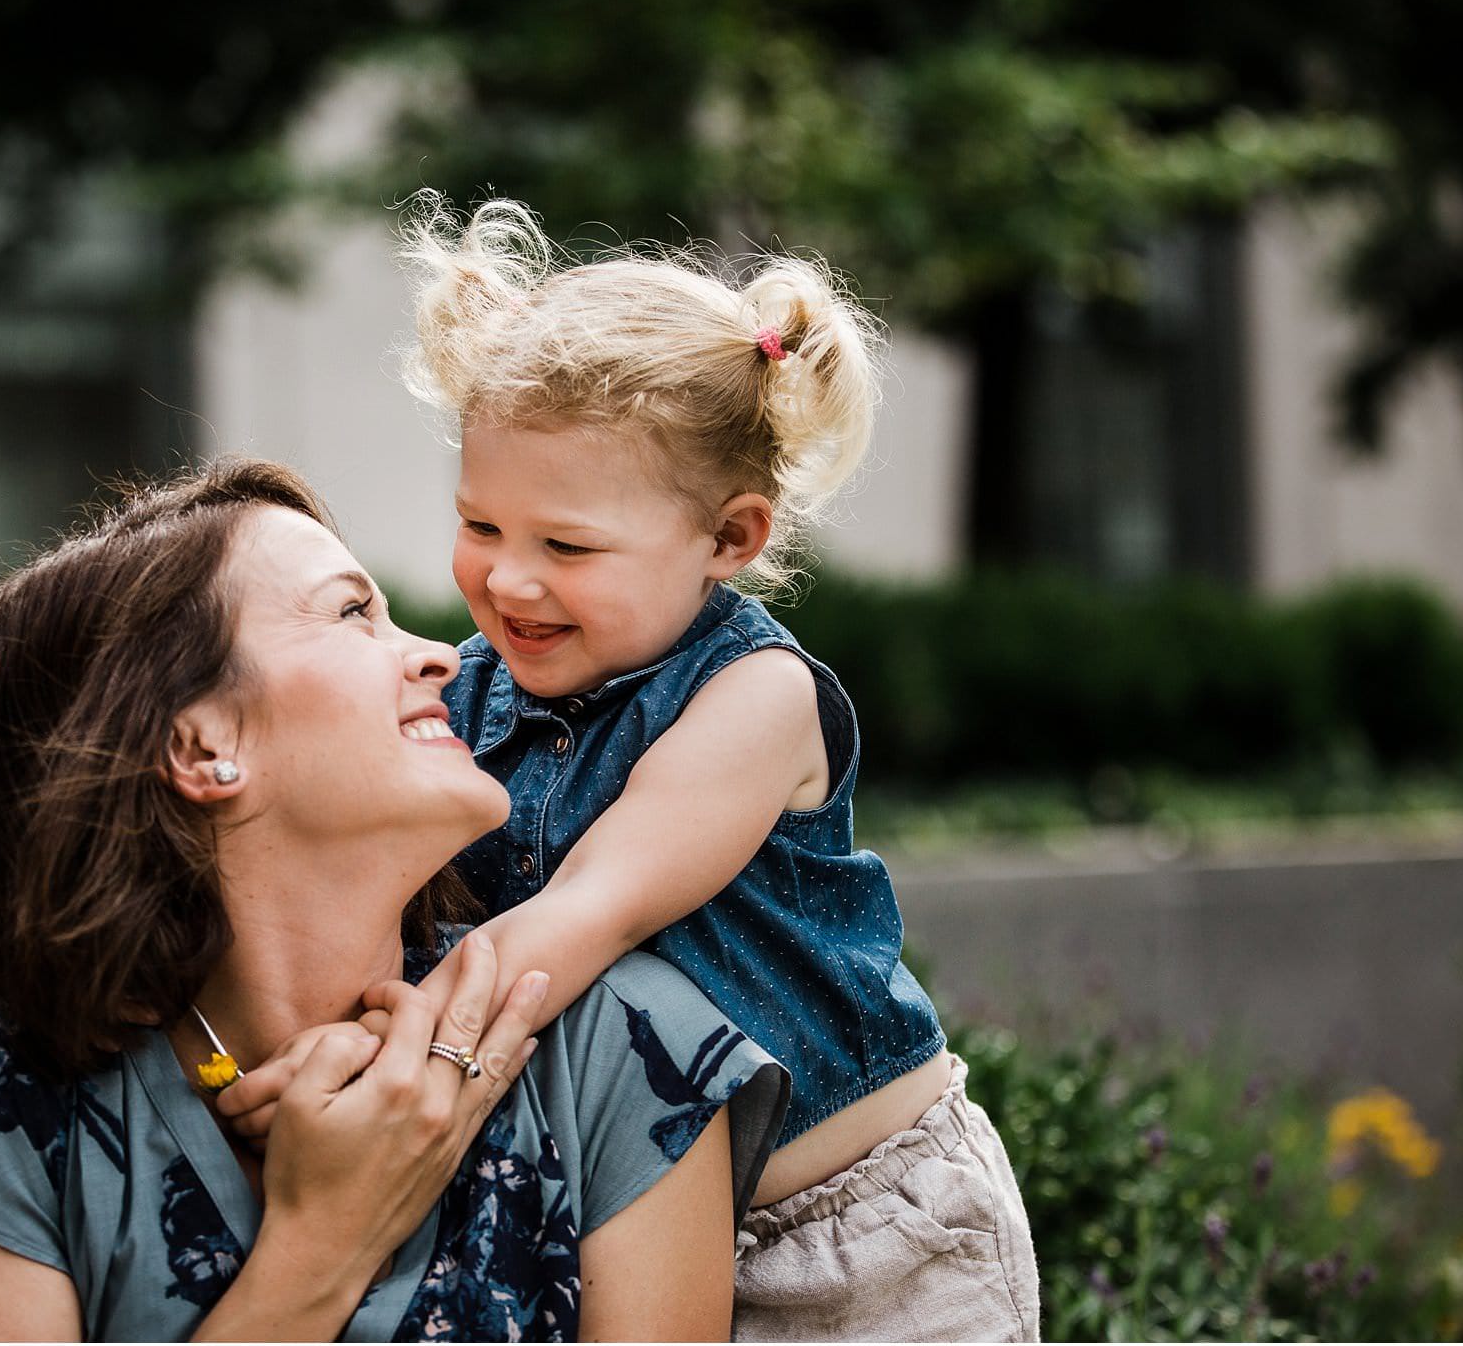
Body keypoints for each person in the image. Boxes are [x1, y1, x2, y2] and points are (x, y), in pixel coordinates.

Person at [219, 197, 1039, 1341]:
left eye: (567, 546)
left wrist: (366, 1052)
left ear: (730, 538)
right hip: (640, 1208)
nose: (508, 581)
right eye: (478, 524)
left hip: (863, 1225)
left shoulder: (751, 698)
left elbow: (584, 914)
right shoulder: (459, 690)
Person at [0, 458, 789, 1341]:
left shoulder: (622, 1048)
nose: (443, 655)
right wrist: (321, 1245)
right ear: (200, 747)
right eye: (351, 612)